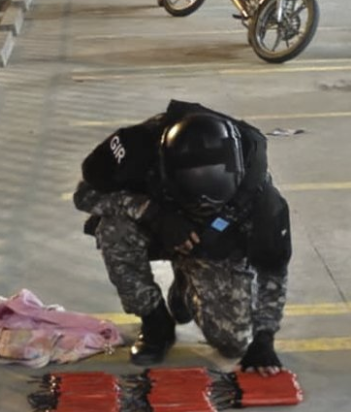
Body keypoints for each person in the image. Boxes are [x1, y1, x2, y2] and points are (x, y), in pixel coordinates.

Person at [73, 100, 292, 374]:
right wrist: (153, 212)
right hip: (158, 222)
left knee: (235, 344)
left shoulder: (261, 198)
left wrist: (264, 339)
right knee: (114, 229)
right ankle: (156, 323)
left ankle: (186, 285)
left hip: (213, 240)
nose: (204, 201)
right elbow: (84, 195)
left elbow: (273, 271)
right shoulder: (137, 152)